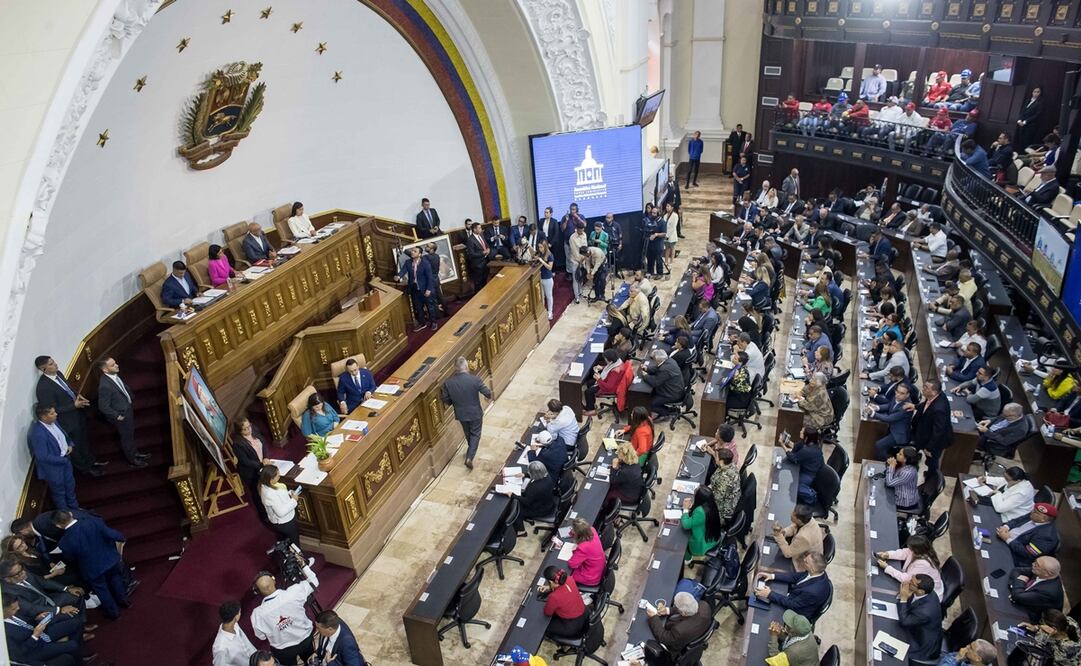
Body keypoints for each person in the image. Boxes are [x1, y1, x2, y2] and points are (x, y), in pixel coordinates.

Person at [0, 555, 91, 646]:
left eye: (22, 569)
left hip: (48, 599)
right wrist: (59, 610)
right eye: (18, 573)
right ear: (7, 578)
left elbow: (43, 582)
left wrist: (67, 589)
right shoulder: (7, 592)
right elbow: (31, 609)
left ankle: (83, 626)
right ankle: (78, 638)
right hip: (38, 614)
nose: (23, 573)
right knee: (70, 616)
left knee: (76, 595)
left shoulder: (23, 572)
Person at [53, 511, 128, 620]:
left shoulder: (64, 542)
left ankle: (114, 613)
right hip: (110, 560)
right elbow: (111, 534)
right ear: (71, 514)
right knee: (116, 579)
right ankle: (124, 601)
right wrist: (121, 538)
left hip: (92, 569)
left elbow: (70, 559)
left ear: (58, 526)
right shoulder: (93, 521)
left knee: (102, 590)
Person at [33, 356, 98, 478]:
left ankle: (91, 461)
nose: (56, 364)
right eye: (51, 364)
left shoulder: (59, 374)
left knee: (84, 440)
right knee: (76, 447)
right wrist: (74, 405)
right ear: (44, 369)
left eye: (54, 361)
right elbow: (52, 409)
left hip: (78, 414)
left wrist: (78, 396)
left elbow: (68, 389)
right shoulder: (43, 387)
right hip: (67, 422)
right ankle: (85, 469)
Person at [251, 553, 319, 665]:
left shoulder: (257, 614)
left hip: (283, 650)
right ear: (274, 580)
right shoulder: (294, 592)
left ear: (257, 591)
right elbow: (314, 582)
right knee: (312, 662)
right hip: (305, 639)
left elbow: (261, 636)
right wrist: (303, 565)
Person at [3, 596, 89, 666]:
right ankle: (78, 661)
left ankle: (78, 652)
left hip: (40, 633)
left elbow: (26, 622)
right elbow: (20, 653)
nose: (18, 608)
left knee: (76, 623)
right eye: (13, 608)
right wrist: (35, 636)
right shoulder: (3, 633)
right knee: (72, 645)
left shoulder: (14, 611)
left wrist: (37, 618)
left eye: (17, 606)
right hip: (34, 650)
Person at [441, 356, 492, 469]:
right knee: (475, 434)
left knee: (468, 433)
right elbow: (487, 392)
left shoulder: (448, 383)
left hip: (461, 413)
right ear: (467, 367)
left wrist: (454, 403)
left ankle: (470, 452)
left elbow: (445, 399)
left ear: (455, 368)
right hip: (475, 413)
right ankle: (469, 457)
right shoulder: (475, 379)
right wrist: (488, 397)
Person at [96, 357, 148, 468]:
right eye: (112, 365)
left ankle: (135, 453)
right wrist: (117, 416)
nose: (117, 365)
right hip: (121, 415)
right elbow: (103, 406)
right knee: (126, 438)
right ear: (105, 370)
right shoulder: (104, 386)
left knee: (130, 434)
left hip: (127, 409)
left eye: (115, 363)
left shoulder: (113, 375)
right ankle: (132, 460)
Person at [28, 404, 81, 511]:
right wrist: (63, 460)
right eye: (52, 413)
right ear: (44, 417)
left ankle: (75, 509)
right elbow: (42, 456)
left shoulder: (54, 422)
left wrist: (69, 443)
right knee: (59, 493)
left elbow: (63, 435)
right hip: (54, 469)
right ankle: (66, 515)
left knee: (70, 486)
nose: (56, 414)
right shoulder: (38, 433)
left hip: (65, 461)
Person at [755, 551, 831, 619]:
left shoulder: (812, 592)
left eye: (807, 562)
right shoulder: (817, 572)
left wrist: (770, 594)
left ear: (813, 569)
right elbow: (795, 577)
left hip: (797, 612)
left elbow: (793, 604)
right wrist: (772, 576)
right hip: (796, 596)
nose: (804, 560)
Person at [874, 535, 945, 598]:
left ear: (917, 550)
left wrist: (887, 568)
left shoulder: (923, 564)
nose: (909, 549)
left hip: (927, 594)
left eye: (910, 548)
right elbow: (904, 553)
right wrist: (888, 554)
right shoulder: (919, 551)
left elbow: (907, 579)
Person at [645, 591, 713, 652]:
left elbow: (663, 637)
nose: (674, 606)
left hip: (674, 645)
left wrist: (653, 618)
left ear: (683, 613)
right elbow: (687, 607)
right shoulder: (704, 605)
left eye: (676, 606)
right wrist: (668, 610)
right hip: (696, 632)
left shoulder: (679, 630)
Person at [997, 504, 1061, 568]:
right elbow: (1017, 521)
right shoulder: (1033, 515)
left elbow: (1027, 553)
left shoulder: (1047, 536)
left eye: (1035, 512)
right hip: (1004, 538)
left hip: (1013, 555)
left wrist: (1007, 539)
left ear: (1043, 519)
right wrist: (1006, 527)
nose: (1032, 511)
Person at [232, 419, 271, 524]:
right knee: (257, 494)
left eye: (249, 426)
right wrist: (261, 464)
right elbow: (245, 461)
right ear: (239, 431)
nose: (248, 430)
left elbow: (264, 443)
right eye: (244, 429)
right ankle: (264, 515)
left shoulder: (254, 430)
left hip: (263, 464)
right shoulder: (237, 443)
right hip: (251, 472)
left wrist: (266, 457)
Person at [910, 379, 951, 477]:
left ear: (934, 392)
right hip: (924, 433)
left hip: (935, 441)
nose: (923, 389)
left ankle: (931, 478)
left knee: (932, 460)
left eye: (926, 388)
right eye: (924, 386)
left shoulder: (939, 409)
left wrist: (929, 448)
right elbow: (926, 405)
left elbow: (938, 432)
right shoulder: (934, 396)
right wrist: (915, 406)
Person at [898, 574, 944, 662]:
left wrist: (903, 599)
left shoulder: (925, 611)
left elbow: (904, 621)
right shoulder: (927, 592)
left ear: (920, 591)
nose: (908, 583)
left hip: (920, 644)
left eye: (912, 583)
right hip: (917, 628)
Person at [258, 464, 303, 549]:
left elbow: (280, 496)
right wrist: (294, 500)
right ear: (271, 480)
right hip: (285, 522)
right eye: (277, 476)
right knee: (295, 543)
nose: (279, 476)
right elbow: (281, 513)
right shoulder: (269, 494)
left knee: (285, 540)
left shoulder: (266, 485)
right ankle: (303, 562)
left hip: (280, 522)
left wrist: (289, 493)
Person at [1007, 556, 1065, 622]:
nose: (1033, 564)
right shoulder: (1042, 572)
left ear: (1046, 573)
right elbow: (1016, 570)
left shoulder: (1048, 592)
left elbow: (1017, 596)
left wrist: (1020, 581)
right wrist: (1016, 585)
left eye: (1037, 565)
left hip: (1031, 616)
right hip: (1025, 598)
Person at [397, 246, 439, 331]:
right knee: (418, 307)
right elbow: (403, 270)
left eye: (415, 251)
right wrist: (398, 276)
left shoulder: (425, 263)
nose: (412, 252)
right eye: (412, 251)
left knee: (430, 306)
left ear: (419, 254)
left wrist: (429, 289)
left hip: (425, 288)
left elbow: (430, 277)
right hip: (414, 289)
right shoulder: (408, 262)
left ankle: (433, 322)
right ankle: (422, 323)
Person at [868, 383, 913, 460]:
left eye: (902, 393)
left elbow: (889, 418)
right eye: (897, 391)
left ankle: (890, 462)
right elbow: (889, 405)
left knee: (879, 445)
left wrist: (873, 413)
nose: (898, 394)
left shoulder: (906, 407)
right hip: (891, 427)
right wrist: (877, 407)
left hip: (898, 434)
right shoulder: (896, 398)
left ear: (907, 395)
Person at [541, 565, 587, 639]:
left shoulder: (554, 597)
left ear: (550, 581)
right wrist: (549, 587)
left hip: (571, 626)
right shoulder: (570, 579)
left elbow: (548, 613)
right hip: (584, 614)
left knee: (543, 626)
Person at [773, 505, 824, 571]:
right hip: (802, 548)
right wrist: (783, 532)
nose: (790, 514)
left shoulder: (804, 537)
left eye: (793, 514)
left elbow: (787, 553)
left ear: (799, 520)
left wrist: (778, 535)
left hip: (803, 561)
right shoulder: (808, 519)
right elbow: (795, 526)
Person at [783, 427, 824, 506]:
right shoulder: (811, 444)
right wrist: (787, 442)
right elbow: (796, 447)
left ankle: (812, 496)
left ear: (807, 436)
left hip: (809, 475)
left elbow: (793, 458)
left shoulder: (808, 450)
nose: (800, 431)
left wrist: (782, 444)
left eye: (802, 431)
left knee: (796, 487)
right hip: (809, 469)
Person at [679, 485, 722, 561]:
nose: (694, 491)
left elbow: (686, 524)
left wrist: (685, 509)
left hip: (703, 543)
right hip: (713, 537)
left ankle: (687, 559)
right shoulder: (711, 504)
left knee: (682, 542)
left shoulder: (700, 512)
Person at [639, 349, 684, 416]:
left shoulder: (664, 369)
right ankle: (668, 409)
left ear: (657, 360)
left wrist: (645, 375)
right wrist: (647, 368)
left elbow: (655, 382)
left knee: (649, 403)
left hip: (671, 394)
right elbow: (658, 368)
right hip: (676, 389)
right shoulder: (669, 360)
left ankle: (667, 412)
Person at [213, 600, 257, 666]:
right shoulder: (220, 647)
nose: (240, 614)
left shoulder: (235, 625)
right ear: (236, 617)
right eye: (239, 612)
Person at [516, 462, 556, 533]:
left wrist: (514, 495)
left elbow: (527, 502)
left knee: (517, 510)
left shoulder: (535, 488)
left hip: (540, 510)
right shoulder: (548, 476)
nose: (528, 472)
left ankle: (521, 530)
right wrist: (525, 474)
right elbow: (538, 474)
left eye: (529, 472)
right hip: (549, 504)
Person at [565, 518, 604, 587]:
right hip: (597, 567)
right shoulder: (592, 530)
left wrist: (574, 552)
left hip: (591, 576)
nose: (571, 530)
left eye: (573, 529)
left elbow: (572, 564)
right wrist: (573, 533)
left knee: (566, 577)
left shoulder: (583, 547)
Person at [707, 447, 740, 523]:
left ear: (721, 461)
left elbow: (717, 498)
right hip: (726, 496)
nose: (715, 458)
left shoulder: (725, 480)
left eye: (716, 457)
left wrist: (704, 492)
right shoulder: (731, 465)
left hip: (723, 510)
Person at [885, 446, 921, 511]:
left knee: (882, 499)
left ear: (905, 459)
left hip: (904, 501)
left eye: (900, 454)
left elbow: (889, 483)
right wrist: (890, 465)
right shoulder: (904, 464)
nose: (897, 454)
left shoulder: (908, 472)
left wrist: (891, 466)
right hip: (900, 491)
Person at [465, 220, 492, 292]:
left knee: (485, 280)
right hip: (478, 264)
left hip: (486, 261)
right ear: (474, 229)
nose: (481, 229)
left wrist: (488, 248)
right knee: (478, 282)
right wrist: (483, 253)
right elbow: (471, 254)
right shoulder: (470, 240)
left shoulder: (481, 235)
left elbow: (485, 244)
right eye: (479, 228)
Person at [534, 239, 556, 321]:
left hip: (547, 278)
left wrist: (541, 261)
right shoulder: (540, 254)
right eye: (539, 247)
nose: (540, 249)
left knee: (549, 296)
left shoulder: (550, 255)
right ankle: (543, 311)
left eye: (541, 247)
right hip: (540, 278)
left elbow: (550, 267)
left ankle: (550, 312)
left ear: (545, 247)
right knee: (541, 296)